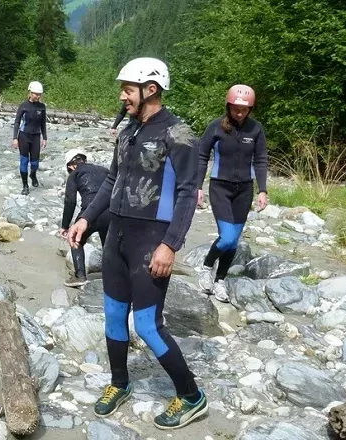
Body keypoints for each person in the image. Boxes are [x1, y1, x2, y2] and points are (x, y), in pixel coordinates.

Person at [67, 58, 207, 430]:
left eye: (127, 89)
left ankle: (192, 396)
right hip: (117, 236)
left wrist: (171, 245)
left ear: (151, 89)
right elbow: (112, 180)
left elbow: (187, 192)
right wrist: (85, 218)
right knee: (113, 316)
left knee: (146, 325)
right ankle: (119, 383)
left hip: (151, 241)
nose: (122, 95)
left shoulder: (178, 134)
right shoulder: (128, 130)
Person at [196, 84, 269, 302]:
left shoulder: (255, 129)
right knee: (227, 238)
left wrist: (262, 190)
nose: (239, 113)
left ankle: (220, 281)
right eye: (235, 108)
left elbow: (261, 159)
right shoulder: (216, 127)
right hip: (220, 187)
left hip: (244, 189)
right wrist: (197, 187)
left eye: (244, 109)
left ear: (250, 110)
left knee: (234, 242)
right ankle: (206, 266)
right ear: (228, 106)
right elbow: (201, 156)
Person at [59, 149, 111, 287]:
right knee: (108, 245)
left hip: (89, 215)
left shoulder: (75, 174)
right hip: (110, 212)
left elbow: (70, 201)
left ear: (71, 165)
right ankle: (112, 276)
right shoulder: (104, 170)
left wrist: (65, 226)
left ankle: (80, 276)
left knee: (76, 240)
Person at [12, 81, 47, 195]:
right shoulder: (23, 106)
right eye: (36, 94)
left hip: (36, 136)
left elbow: (43, 123)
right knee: (24, 161)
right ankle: (25, 185)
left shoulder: (42, 107)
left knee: (35, 163)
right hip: (24, 136)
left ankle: (33, 174)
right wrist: (15, 138)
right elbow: (17, 122)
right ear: (30, 93)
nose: (38, 96)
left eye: (39, 94)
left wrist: (45, 137)